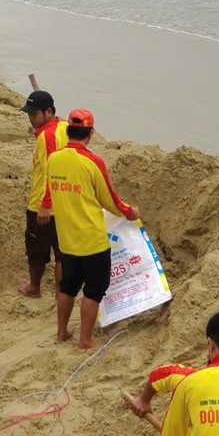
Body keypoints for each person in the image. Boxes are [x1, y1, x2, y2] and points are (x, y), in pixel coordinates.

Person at [38, 109, 139, 350]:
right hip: (92, 240)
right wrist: (129, 212)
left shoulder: (55, 159)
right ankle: (85, 339)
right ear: (90, 134)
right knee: (94, 290)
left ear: (69, 131)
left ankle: (61, 333)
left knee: (67, 287)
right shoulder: (93, 162)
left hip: (66, 239)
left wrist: (44, 206)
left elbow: (49, 190)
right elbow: (109, 199)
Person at [19, 90, 68, 298]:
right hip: (66, 202)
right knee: (62, 254)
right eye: (29, 114)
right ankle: (61, 294)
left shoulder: (47, 136)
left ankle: (34, 288)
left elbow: (51, 171)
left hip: (43, 204)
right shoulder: (64, 127)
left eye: (35, 114)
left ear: (48, 112)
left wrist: (45, 204)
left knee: (36, 253)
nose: (31, 118)